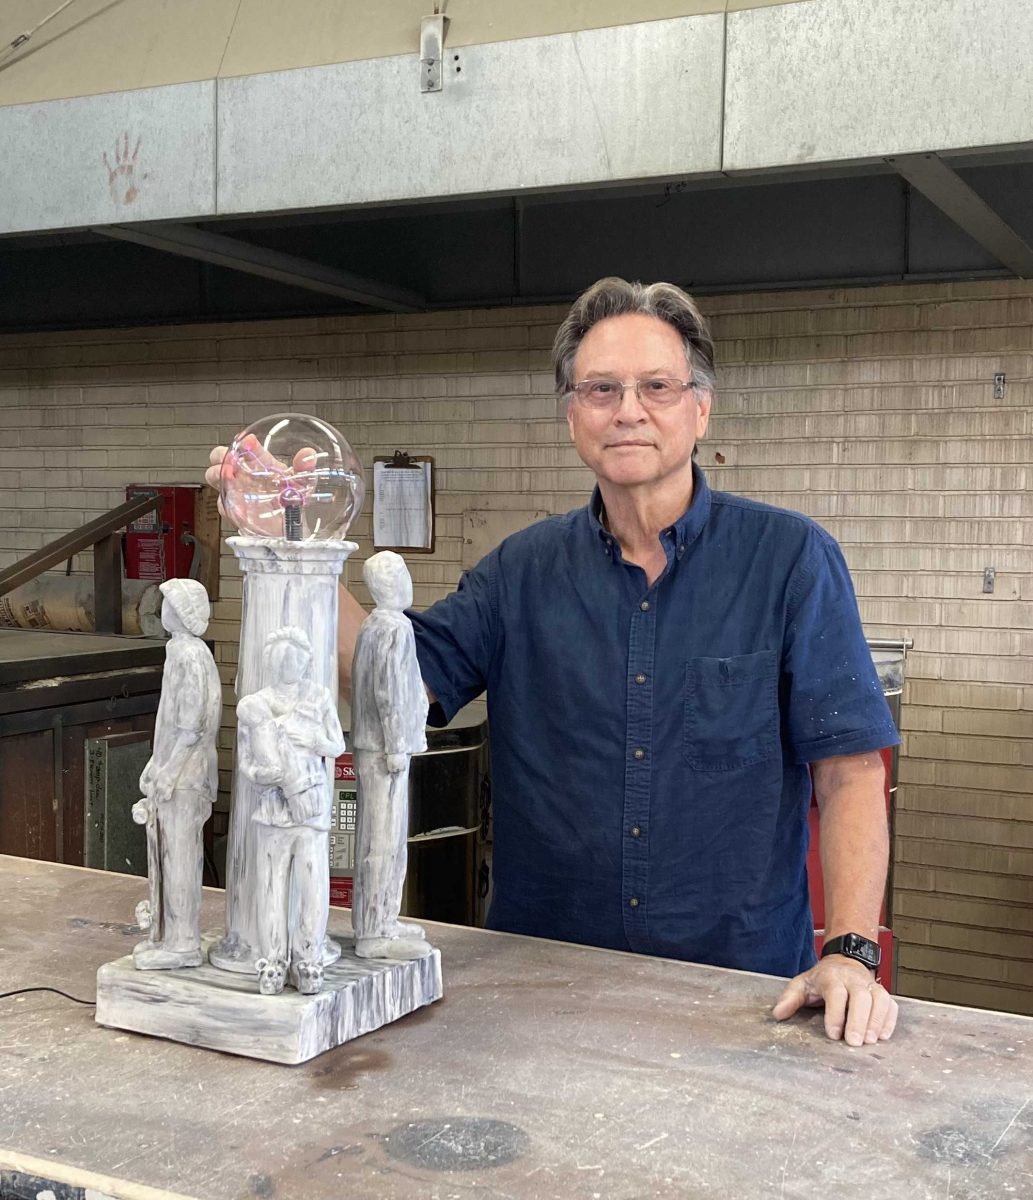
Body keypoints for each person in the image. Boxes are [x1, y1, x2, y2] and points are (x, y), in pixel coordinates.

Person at [208, 276, 900, 1046]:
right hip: (536, 989)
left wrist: (848, 953)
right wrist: (292, 545)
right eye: (600, 388)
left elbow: (850, 773)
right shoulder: (519, 574)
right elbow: (390, 684)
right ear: (571, 414)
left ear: (699, 408)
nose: (628, 409)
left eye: (656, 387)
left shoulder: (789, 561)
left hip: (737, 993)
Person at [236, 626, 346, 994]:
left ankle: (309, 959)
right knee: (270, 887)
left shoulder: (319, 697)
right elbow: (245, 761)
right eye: (280, 657)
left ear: (306, 660)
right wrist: (262, 774)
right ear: (270, 662)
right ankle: (273, 961)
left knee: (313, 886)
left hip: (311, 807)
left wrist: (314, 739)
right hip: (273, 810)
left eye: (295, 656)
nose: (287, 663)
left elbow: (336, 744)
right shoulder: (256, 705)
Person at [133, 578, 221, 970]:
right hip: (178, 769)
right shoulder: (182, 651)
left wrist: (167, 772)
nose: (161, 608)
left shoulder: (188, 654)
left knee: (180, 857)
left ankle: (182, 943)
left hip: (186, 775)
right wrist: (156, 764)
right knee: (171, 854)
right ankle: (171, 937)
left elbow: (192, 726)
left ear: (182, 612)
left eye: (168, 603)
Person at [350, 551, 433, 961]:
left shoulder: (373, 625)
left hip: (376, 744)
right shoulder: (394, 629)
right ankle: (374, 929)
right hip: (385, 749)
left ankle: (383, 919)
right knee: (384, 840)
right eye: (401, 575)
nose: (407, 581)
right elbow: (388, 693)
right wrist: (398, 744)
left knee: (382, 838)